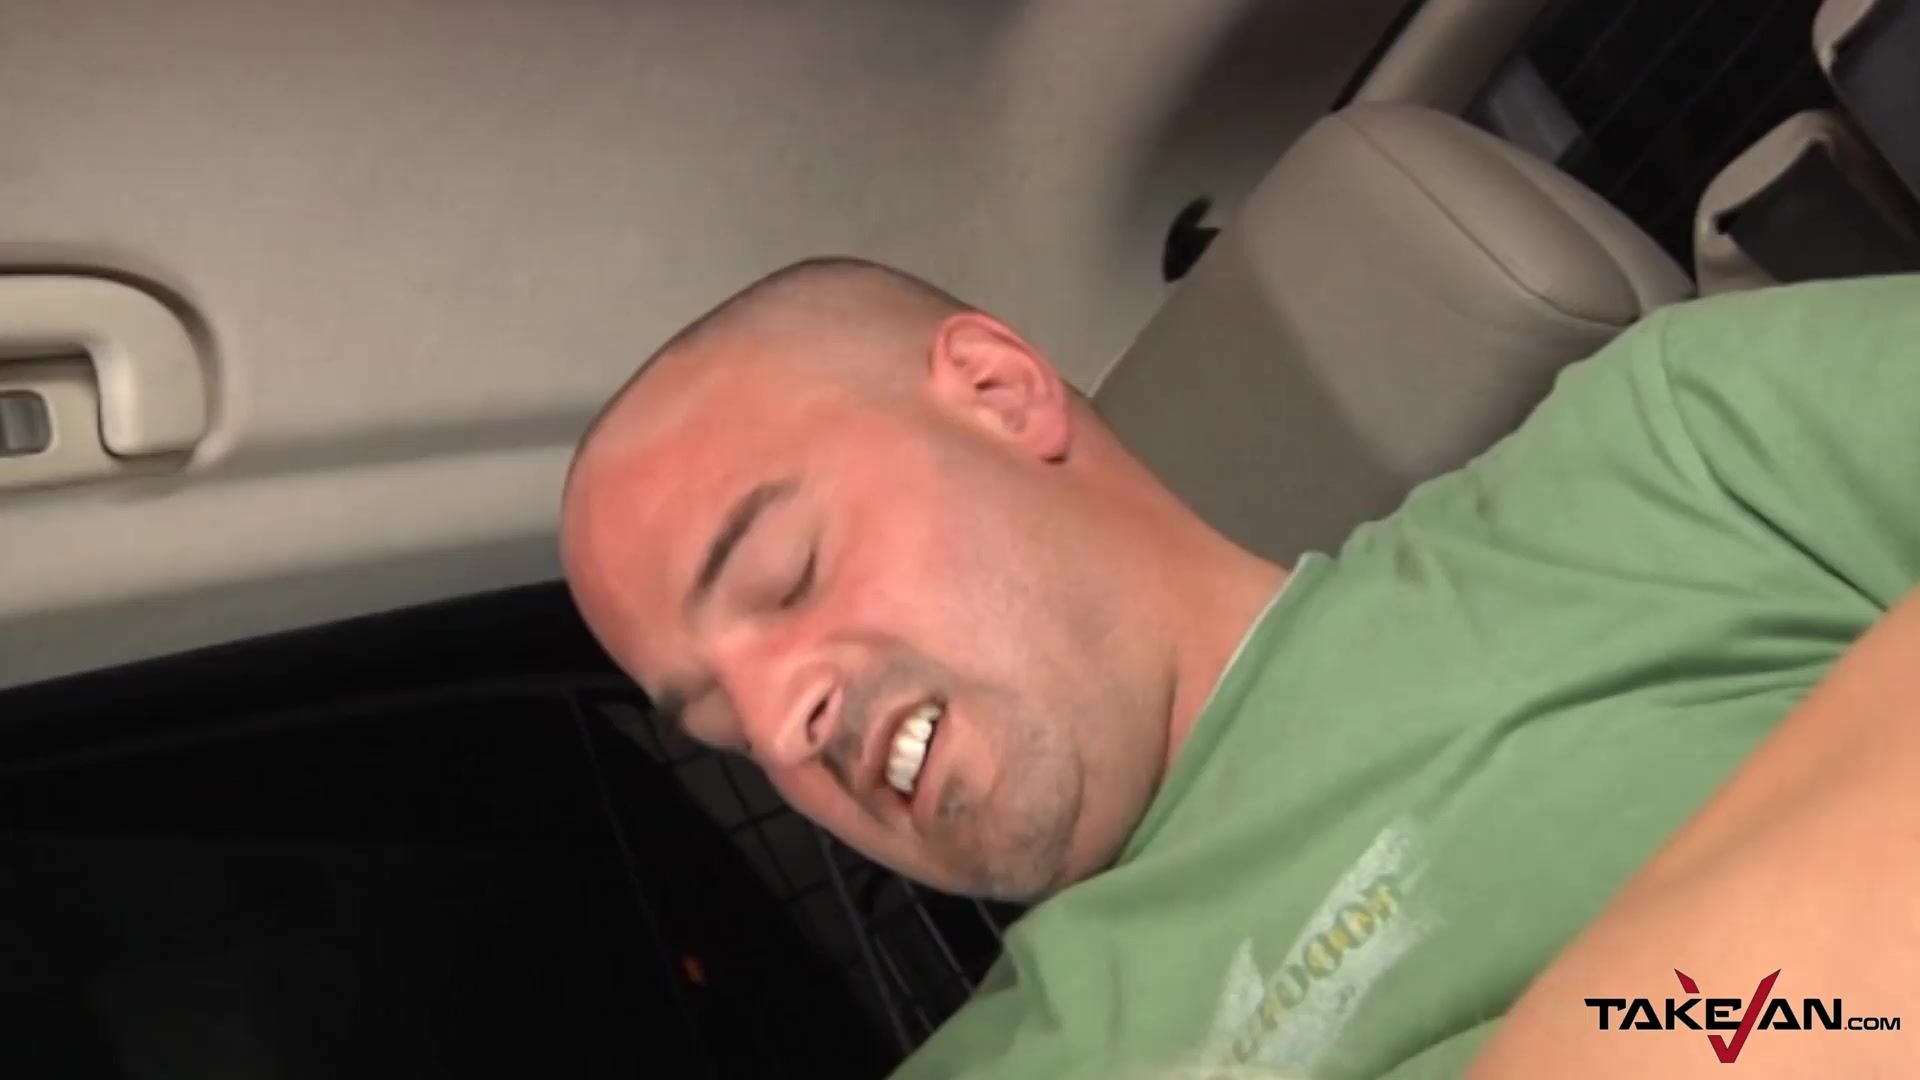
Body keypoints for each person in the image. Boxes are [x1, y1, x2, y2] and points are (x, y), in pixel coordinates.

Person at [559, 257, 1920, 1078]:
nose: (783, 728)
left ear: (1000, 394)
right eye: (722, 727)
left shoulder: (1677, 452)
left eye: (786, 573)